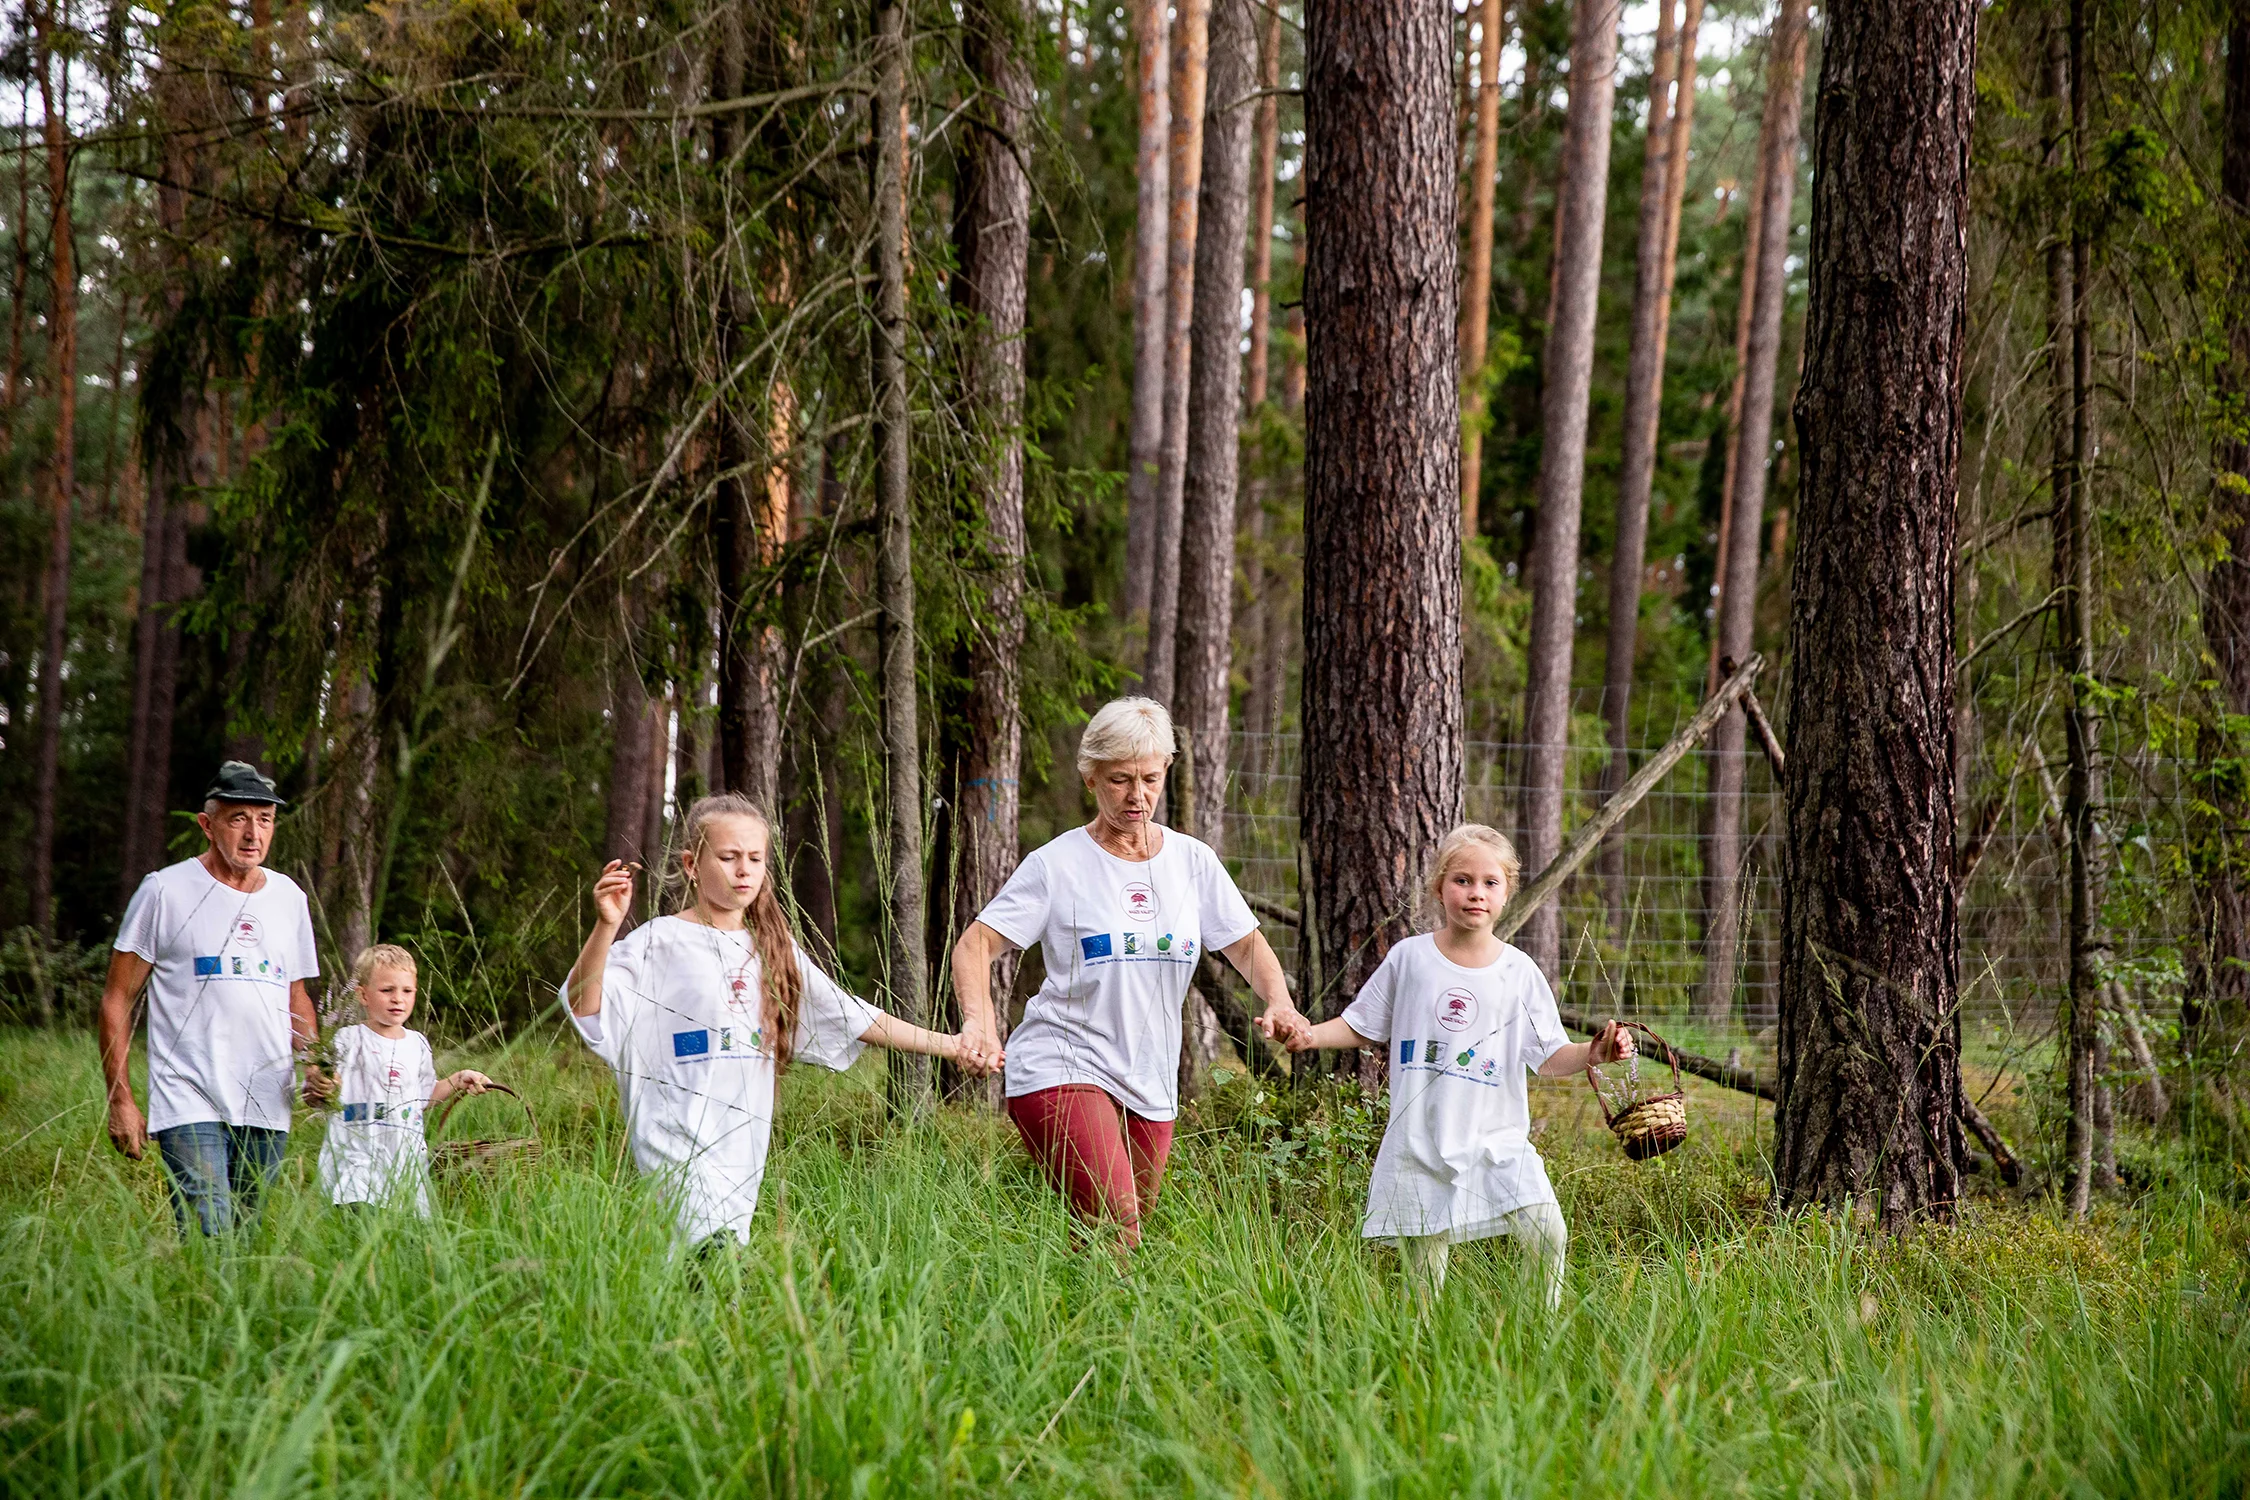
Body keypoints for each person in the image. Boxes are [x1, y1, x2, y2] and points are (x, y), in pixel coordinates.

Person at [951, 697, 1309, 1252]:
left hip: (1150, 1080)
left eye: (1149, 779)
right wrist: (979, 1023)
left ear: (1166, 771)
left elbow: (1245, 944)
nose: (1136, 795)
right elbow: (975, 944)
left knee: (1103, 1246)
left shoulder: (1192, 862)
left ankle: (1054, 1307)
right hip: (1062, 1063)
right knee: (1118, 1226)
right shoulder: (1057, 865)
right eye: (1119, 780)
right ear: (1091, 778)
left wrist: (1279, 999)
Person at [565, 792, 999, 1249]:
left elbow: (855, 1016)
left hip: (741, 1149)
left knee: (707, 1271)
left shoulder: (773, 949)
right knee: (707, 1253)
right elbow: (584, 1004)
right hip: (672, 1137)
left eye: (755, 858)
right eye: (729, 857)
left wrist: (953, 1045)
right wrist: (607, 926)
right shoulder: (659, 941)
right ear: (692, 864)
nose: (744, 870)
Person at [1287, 823, 1634, 1310]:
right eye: (1462, 880)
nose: (1476, 893)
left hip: (1498, 1141)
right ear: (1439, 888)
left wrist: (1593, 1054)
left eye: (1491, 882)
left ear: (1507, 893)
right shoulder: (1410, 959)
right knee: (1424, 1272)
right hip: (1421, 1140)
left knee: (1547, 1233)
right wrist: (1309, 1036)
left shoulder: (1518, 972)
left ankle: (1537, 1335)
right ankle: (1421, 1348)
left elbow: (1550, 1057)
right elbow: (1361, 1025)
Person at [98, 761, 322, 1236]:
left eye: (264, 820)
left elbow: (296, 997)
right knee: (211, 1234)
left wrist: (315, 1065)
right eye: (238, 818)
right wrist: (121, 1099)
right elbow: (117, 998)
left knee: (246, 1238)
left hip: (268, 1100)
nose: (253, 833)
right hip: (189, 1096)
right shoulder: (165, 890)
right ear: (207, 824)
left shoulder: (289, 898)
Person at [304, 944, 492, 1216]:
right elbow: (323, 1087)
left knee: (404, 1232)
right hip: (358, 1160)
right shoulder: (349, 1039)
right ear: (363, 995)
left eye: (407, 991)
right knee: (361, 1223)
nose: (397, 999)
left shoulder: (417, 1044)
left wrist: (459, 1079)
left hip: (404, 1162)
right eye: (387, 990)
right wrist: (324, 1084)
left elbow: (423, 1097)